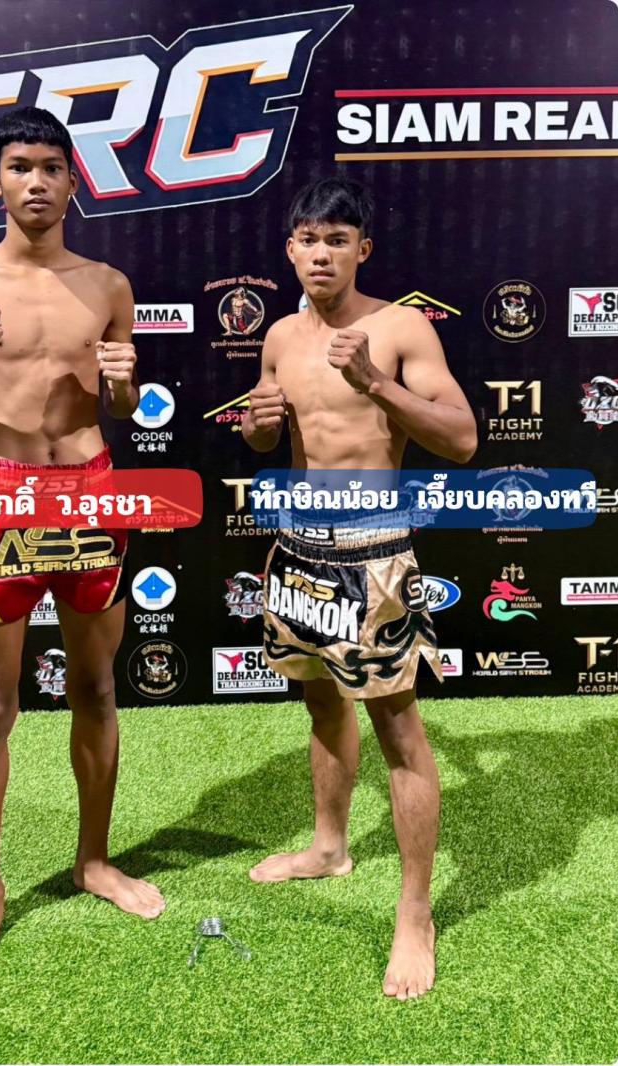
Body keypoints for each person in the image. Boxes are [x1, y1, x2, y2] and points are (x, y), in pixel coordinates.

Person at [0, 106, 165, 989]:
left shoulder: (107, 284)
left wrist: (126, 390)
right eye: (20, 166)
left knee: (95, 688)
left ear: (72, 182)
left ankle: (94, 860)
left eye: (53, 167)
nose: (37, 181)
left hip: (93, 492)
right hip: (1, 497)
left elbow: (120, 408)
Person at [241, 176, 477, 1001]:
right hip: (299, 550)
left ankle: (416, 914)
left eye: (337, 240)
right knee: (319, 701)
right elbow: (278, 442)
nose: (322, 254)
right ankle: (330, 847)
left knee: (399, 731)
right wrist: (258, 428)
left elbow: (462, 439)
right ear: (289, 250)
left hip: (374, 553)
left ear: (362, 250)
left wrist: (376, 381)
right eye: (308, 239)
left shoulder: (401, 327)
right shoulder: (279, 336)